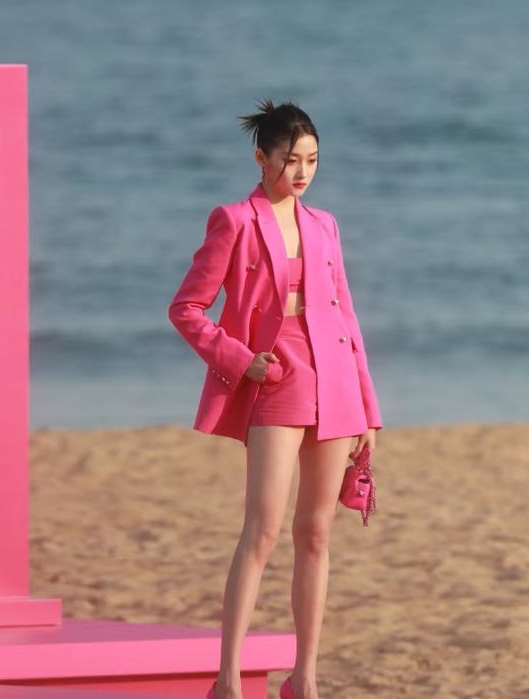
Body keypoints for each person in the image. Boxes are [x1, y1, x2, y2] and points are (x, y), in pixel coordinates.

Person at [167, 98, 383, 699]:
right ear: (261, 159)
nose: (302, 171)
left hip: (335, 379)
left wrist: (369, 409)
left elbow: (346, 315)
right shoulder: (234, 220)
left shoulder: (325, 224)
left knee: (316, 533)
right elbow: (186, 308)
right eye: (291, 160)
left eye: (311, 159)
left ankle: (304, 678)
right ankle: (228, 679)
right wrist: (243, 361)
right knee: (261, 531)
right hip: (276, 378)